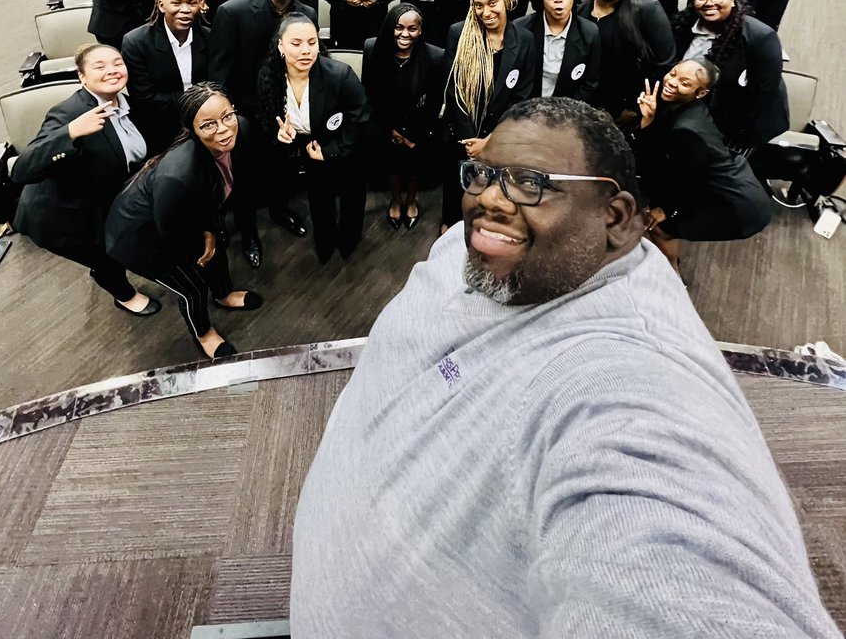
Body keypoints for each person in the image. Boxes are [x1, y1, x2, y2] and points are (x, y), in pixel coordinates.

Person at [290, 97, 840, 639]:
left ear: (618, 219)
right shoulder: (471, 243)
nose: (490, 201)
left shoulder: (627, 388)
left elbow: (671, 552)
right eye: (482, 175)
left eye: (531, 183)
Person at [105, 83, 264, 361]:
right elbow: (170, 230)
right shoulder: (178, 174)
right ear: (192, 129)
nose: (225, 129)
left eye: (227, 116)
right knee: (192, 286)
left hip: (190, 218)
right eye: (209, 125)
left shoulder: (241, 128)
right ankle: (203, 333)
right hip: (142, 238)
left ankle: (223, 294)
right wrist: (204, 237)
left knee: (218, 253)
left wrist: (212, 231)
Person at [12, 44, 160, 318]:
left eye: (117, 63)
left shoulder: (128, 103)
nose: (112, 70)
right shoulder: (69, 113)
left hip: (101, 198)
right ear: (81, 77)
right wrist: (70, 133)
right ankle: (124, 295)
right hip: (63, 216)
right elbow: (21, 170)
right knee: (104, 258)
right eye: (100, 66)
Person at [636, 59, 773, 271]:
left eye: (685, 83)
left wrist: (665, 209)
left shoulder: (687, 130)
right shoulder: (685, 106)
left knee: (661, 227)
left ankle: (673, 276)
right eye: (673, 74)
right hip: (725, 183)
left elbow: (689, 181)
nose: (672, 82)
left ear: (700, 93)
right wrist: (649, 119)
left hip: (738, 206)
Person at [257, 16, 370, 264]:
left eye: (312, 42)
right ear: (280, 46)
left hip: (344, 147)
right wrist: (279, 135)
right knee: (319, 199)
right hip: (308, 149)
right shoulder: (269, 78)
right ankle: (325, 242)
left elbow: (361, 119)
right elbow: (265, 119)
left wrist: (331, 152)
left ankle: (349, 240)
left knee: (352, 197)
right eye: (296, 43)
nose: (306, 50)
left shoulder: (340, 75)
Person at [442, 0, 536, 227]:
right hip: (463, 135)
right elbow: (453, 90)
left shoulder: (525, 39)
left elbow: (521, 98)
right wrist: (470, 140)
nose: (485, 12)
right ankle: (450, 225)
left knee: (493, 190)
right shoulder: (458, 33)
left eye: (492, 3)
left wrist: (491, 141)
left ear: (506, 1)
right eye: (478, 5)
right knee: (458, 188)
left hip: (501, 135)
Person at [675, 0, 788, 152]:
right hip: (691, 117)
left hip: (741, 127)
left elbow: (763, 94)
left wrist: (730, 139)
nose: (709, 3)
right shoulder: (683, 26)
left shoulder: (761, 37)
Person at [362, 4, 445, 229]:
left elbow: (436, 101)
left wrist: (414, 135)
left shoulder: (436, 57)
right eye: (399, 27)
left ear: (420, 30)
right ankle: (397, 200)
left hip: (419, 127)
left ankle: (411, 201)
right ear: (390, 27)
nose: (405, 34)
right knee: (392, 165)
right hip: (386, 125)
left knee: (414, 166)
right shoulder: (372, 48)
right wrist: (390, 129)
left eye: (412, 29)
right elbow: (369, 93)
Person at [210, 0, 316, 120]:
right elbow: (220, 75)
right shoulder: (231, 12)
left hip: (293, 113)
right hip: (246, 114)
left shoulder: (308, 15)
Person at [578, 0, 675, 125]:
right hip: (583, 106)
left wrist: (634, 108)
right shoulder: (580, 10)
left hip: (627, 111)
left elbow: (664, 64)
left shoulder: (648, 9)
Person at [122, 0, 211, 156]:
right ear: (161, 5)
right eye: (176, 3)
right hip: (160, 128)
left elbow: (217, 82)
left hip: (207, 121)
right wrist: (196, 100)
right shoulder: (136, 43)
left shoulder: (210, 38)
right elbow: (144, 99)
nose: (185, 10)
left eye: (191, 3)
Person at [516, 0, 601, 101]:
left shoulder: (589, 32)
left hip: (568, 112)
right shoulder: (522, 29)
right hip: (527, 109)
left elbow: (590, 83)